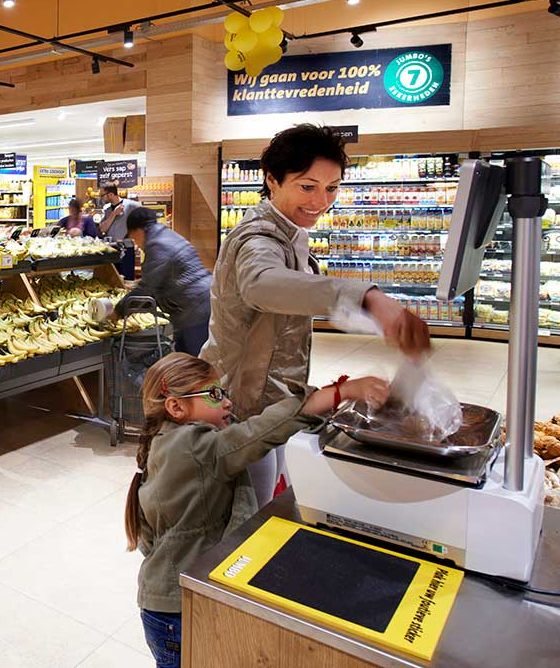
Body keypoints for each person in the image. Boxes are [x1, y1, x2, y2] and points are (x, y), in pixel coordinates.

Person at [200, 123, 431, 507]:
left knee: (268, 499)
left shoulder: (290, 236)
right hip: (238, 408)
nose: (321, 201)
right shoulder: (257, 238)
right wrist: (367, 298)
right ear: (272, 180)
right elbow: (263, 284)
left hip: (271, 404)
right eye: (307, 186)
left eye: (332, 188)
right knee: (243, 518)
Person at [124, 352, 388, 668]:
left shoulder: (163, 444)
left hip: (160, 605)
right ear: (176, 407)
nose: (227, 402)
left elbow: (148, 540)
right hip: (177, 613)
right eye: (213, 394)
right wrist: (340, 391)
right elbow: (259, 432)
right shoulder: (196, 446)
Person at [124, 208, 210, 354]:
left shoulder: (157, 245)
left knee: (196, 364)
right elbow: (163, 276)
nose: (136, 244)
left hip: (195, 309)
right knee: (186, 360)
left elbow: (147, 289)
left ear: (138, 230)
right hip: (198, 303)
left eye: (133, 238)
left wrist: (119, 310)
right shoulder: (166, 235)